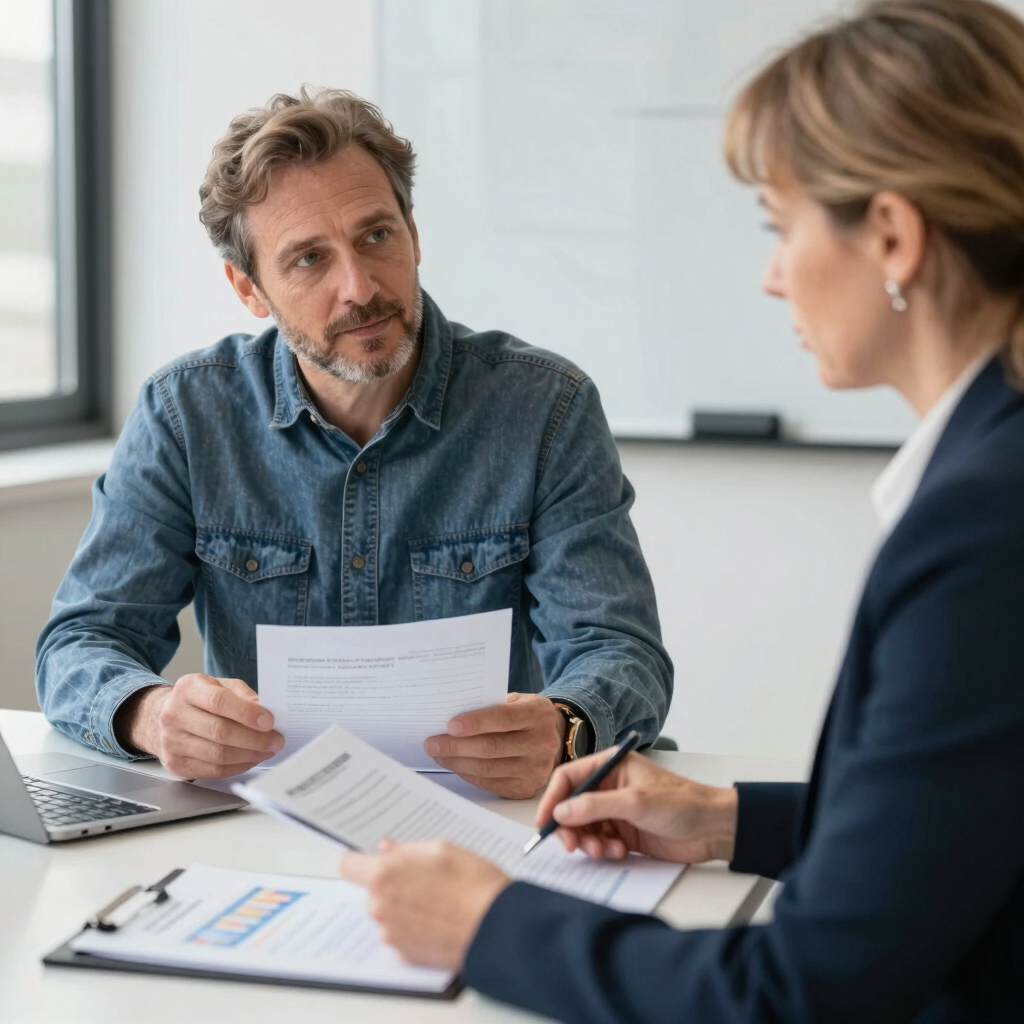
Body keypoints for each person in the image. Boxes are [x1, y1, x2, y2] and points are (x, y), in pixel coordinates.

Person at [339, 1, 1024, 1019]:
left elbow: (794, 994)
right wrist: (722, 819)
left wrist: (489, 927)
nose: (769, 273)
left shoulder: (980, 530)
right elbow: (961, 826)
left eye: (779, 225)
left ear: (889, 234)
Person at [35, 89, 672, 793]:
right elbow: (80, 643)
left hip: (488, 822)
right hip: (262, 826)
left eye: (376, 236)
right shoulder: (185, 415)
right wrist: (153, 716)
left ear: (414, 234)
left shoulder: (546, 409)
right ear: (249, 289)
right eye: (309, 259)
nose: (359, 287)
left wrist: (566, 726)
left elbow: (619, 652)